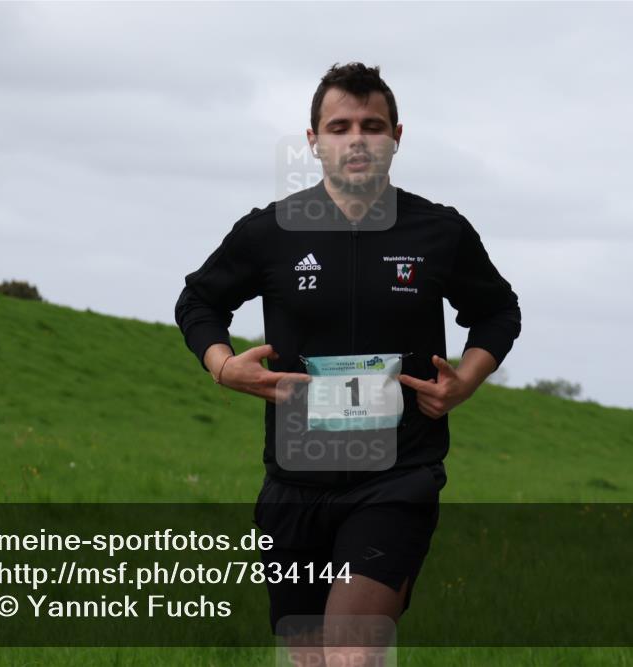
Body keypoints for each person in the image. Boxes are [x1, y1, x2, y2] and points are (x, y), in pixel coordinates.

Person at [175, 62, 521, 664]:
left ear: (396, 136)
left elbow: (498, 311)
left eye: (372, 124)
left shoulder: (440, 230)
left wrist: (468, 377)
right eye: (339, 126)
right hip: (294, 484)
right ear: (313, 141)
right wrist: (224, 366)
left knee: (353, 655)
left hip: (398, 475)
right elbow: (198, 301)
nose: (356, 138)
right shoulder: (270, 231)